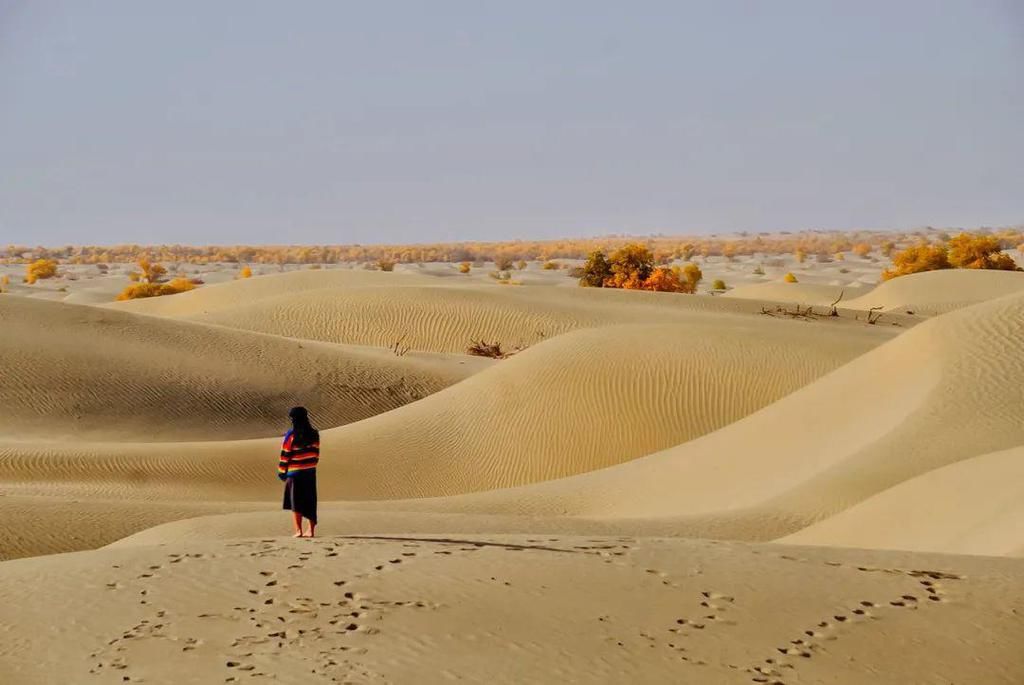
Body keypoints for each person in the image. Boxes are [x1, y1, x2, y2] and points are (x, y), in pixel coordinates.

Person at [279, 406, 320, 537]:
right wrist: (310, 466)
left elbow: (285, 454)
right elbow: (316, 454)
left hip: (294, 473)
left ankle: (298, 530)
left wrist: (282, 471)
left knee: (296, 501)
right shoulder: (314, 434)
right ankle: (311, 531)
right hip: (309, 473)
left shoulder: (291, 435)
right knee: (310, 501)